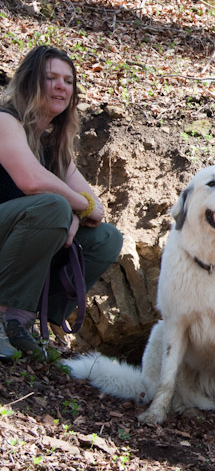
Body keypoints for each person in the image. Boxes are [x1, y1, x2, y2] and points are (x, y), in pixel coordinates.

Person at [0, 46, 122, 361]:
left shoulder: (53, 143)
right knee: (54, 207)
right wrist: (70, 207)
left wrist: (75, 215)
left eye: (68, 81)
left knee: (106, 238)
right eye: (51, 77)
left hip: (20, 242)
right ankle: (3, 315)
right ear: (30, 82)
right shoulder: (5, 120)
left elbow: (95, 207)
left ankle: (30, 321)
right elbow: (31, 180)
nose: (61, 86)